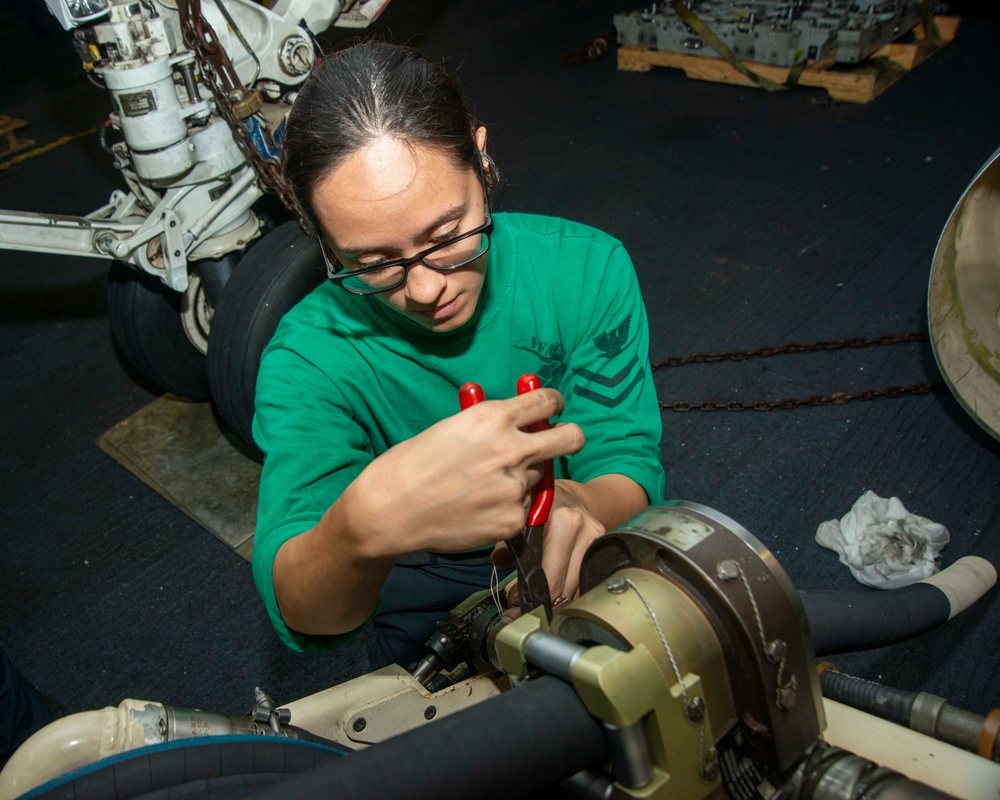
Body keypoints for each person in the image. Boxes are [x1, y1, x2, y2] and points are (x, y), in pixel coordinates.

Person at [251, 41, 665, 669]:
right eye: (373, 263)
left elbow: (628, 460)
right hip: (413, 580)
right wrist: (362, 527)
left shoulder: (584, 271)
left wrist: (583, 504)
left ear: (482, 159)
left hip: (579, 546)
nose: (423, 289)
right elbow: (308, 613)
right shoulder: (307, 361)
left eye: (447, 237)